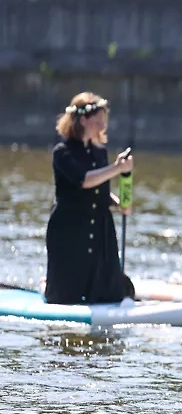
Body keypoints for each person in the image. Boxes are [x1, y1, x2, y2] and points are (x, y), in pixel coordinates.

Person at [45, 93, 134, 305]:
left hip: (99, 228)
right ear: (83, 120)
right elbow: (84, 181)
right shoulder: (62, 152)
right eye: (98, 119)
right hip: (70, 230)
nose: (103, 124)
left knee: (106, 291)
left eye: (104, 119)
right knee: (67, 294)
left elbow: (99, 187)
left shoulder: (99, 153)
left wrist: (118, 201)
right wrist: (117, 168)